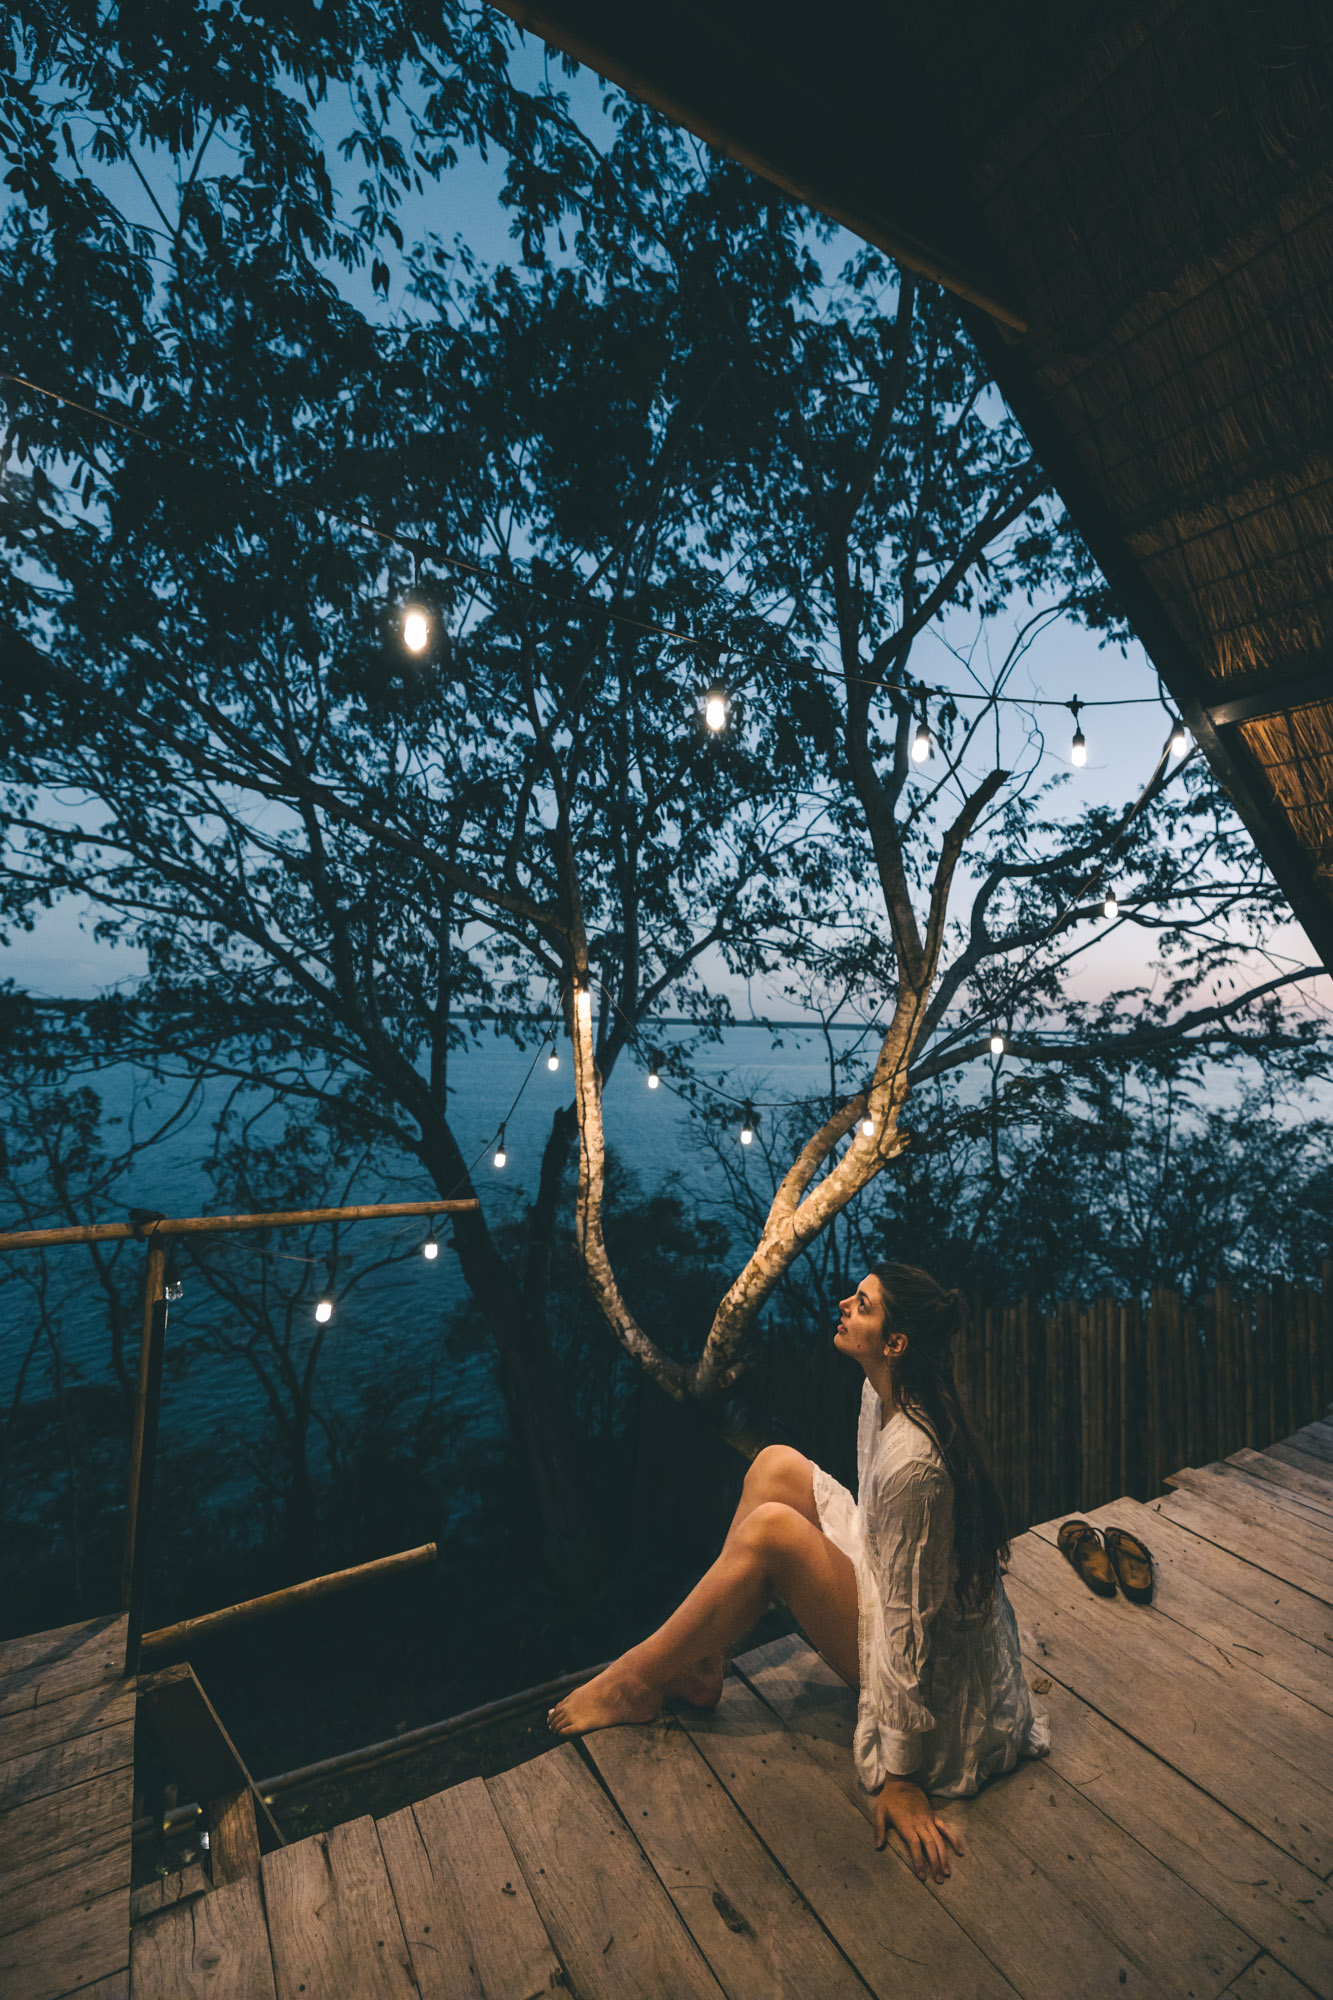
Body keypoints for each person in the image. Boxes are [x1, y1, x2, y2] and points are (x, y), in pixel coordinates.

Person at [547, 1262, 1049, 1883]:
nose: (843, 1304)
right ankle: (703, 1661)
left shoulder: (916, 1466)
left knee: (772, 1535)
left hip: (935, 1686)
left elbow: (906, 1629)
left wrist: (902, 1776)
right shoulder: (883, 1390)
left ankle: (632, 1681)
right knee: (775, 1464)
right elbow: (888, 1559)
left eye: (861, 1305)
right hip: (892, 1589)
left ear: (895, 1344)